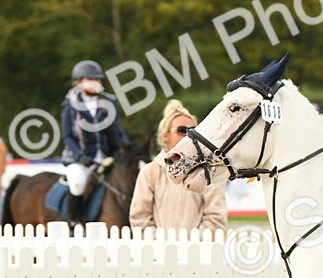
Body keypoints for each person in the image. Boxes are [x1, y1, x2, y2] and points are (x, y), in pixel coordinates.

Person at [130, 100, 228, 233]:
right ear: (166, 136)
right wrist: (162, 246)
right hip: (158, 252)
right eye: (182, 130)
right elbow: (140, 219)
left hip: (198, 252)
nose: (188, 135)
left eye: (193, 130)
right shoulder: (149, 172)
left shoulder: (208, 171)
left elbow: (216, 218)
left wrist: (192, 244)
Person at [60, 59, 130, 226]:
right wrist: (80, 156)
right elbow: (68, 137)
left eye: (97, 80)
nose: (95, 83)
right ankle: (73, 220)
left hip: (106, 156)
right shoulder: (69, 106)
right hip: (79, 158)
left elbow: (116, 131)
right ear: (79, 83)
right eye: (90, 80)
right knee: (77, 183)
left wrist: (126, 148)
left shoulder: (108, 102)